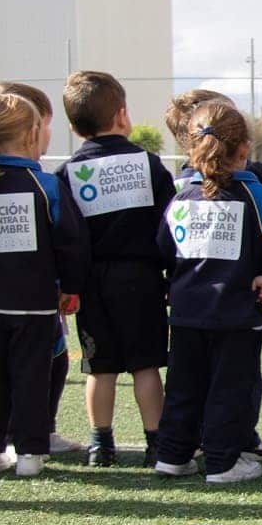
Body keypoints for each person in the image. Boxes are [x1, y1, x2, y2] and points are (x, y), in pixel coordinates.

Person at [154, 102, 262, 483]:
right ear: (244, 149)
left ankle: (172, 455)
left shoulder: (182, 197)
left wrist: (178, 278)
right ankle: (222, 462)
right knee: (230, 388)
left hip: (188, 311)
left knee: (183, 385)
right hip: (236, 315)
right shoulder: (256, 196)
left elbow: (162, 246)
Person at [57, 71, 174, 467]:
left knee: (99, 368)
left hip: (91, 283)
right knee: (145, 366)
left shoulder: (67, 174)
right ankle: (156, 443)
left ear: (73, 127)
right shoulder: (150, 164)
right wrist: (172, 275)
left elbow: (67, 236)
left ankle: (99, 445)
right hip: (141, 279)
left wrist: (69, 284)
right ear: (122, 115)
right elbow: (168, 227)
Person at [0, 93, 88, 477]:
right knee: (31, 377)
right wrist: (72, 285)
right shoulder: (45, 184)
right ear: (33, 133)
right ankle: (31, 454)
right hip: (33, 303)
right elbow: (71, 241)